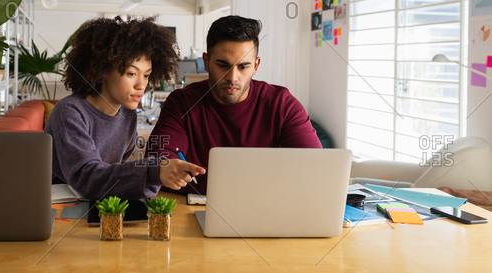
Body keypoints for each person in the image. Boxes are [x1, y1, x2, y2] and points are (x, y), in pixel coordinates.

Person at [147, 15, 321, 194]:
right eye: (223, 65)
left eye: (243, 67)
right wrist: (164, 165)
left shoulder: (282, 104)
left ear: (256, 65)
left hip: (264, 209)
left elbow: (315, 167)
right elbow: (156, 158)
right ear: (206, 62)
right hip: (194, 208)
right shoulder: (181, 102)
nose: (232, 77)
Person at [44, 16, 205, 200]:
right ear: (101, 69)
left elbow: (113, 173)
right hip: (61, 210)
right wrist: (154, 170)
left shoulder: (127, 113)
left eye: (146, 75)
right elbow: (87, 176)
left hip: (98, 204)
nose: (141, 85)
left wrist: (158, 169)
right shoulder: (71, 112)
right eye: (131, 73)